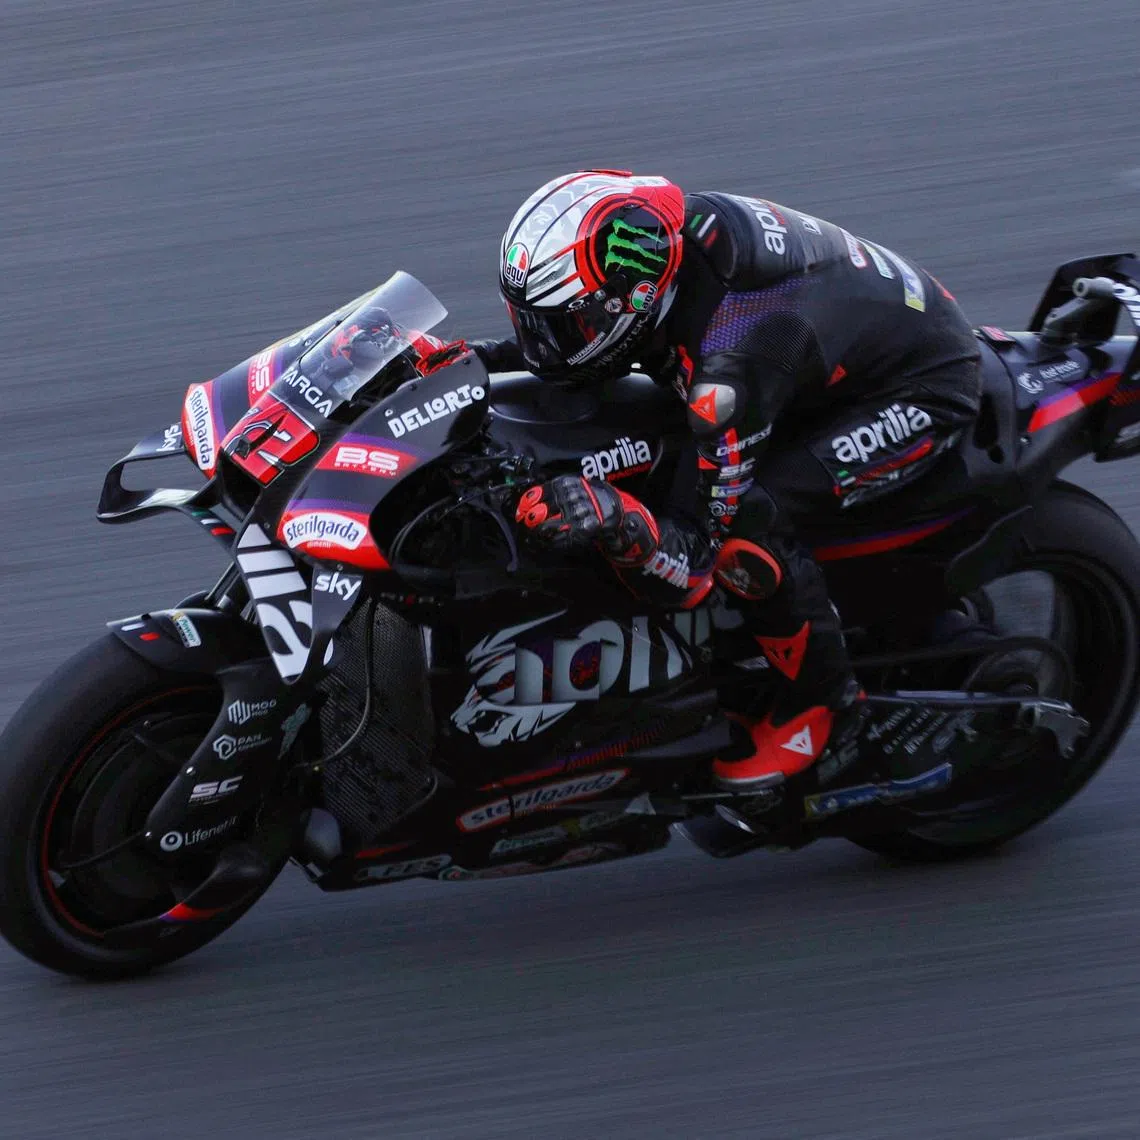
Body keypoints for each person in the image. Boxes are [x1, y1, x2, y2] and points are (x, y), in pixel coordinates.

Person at [470, 170, 981, 790]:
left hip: (917, 388)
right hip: (817, 358)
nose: (543, 343)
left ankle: (824, 708)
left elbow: (692, 563)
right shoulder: (651, 239)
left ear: (633, 301)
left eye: (564, 325)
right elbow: (559, 352)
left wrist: (614, 514)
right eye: (529, 321)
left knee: (749, 528)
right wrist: (468, 360)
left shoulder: (728, 368)